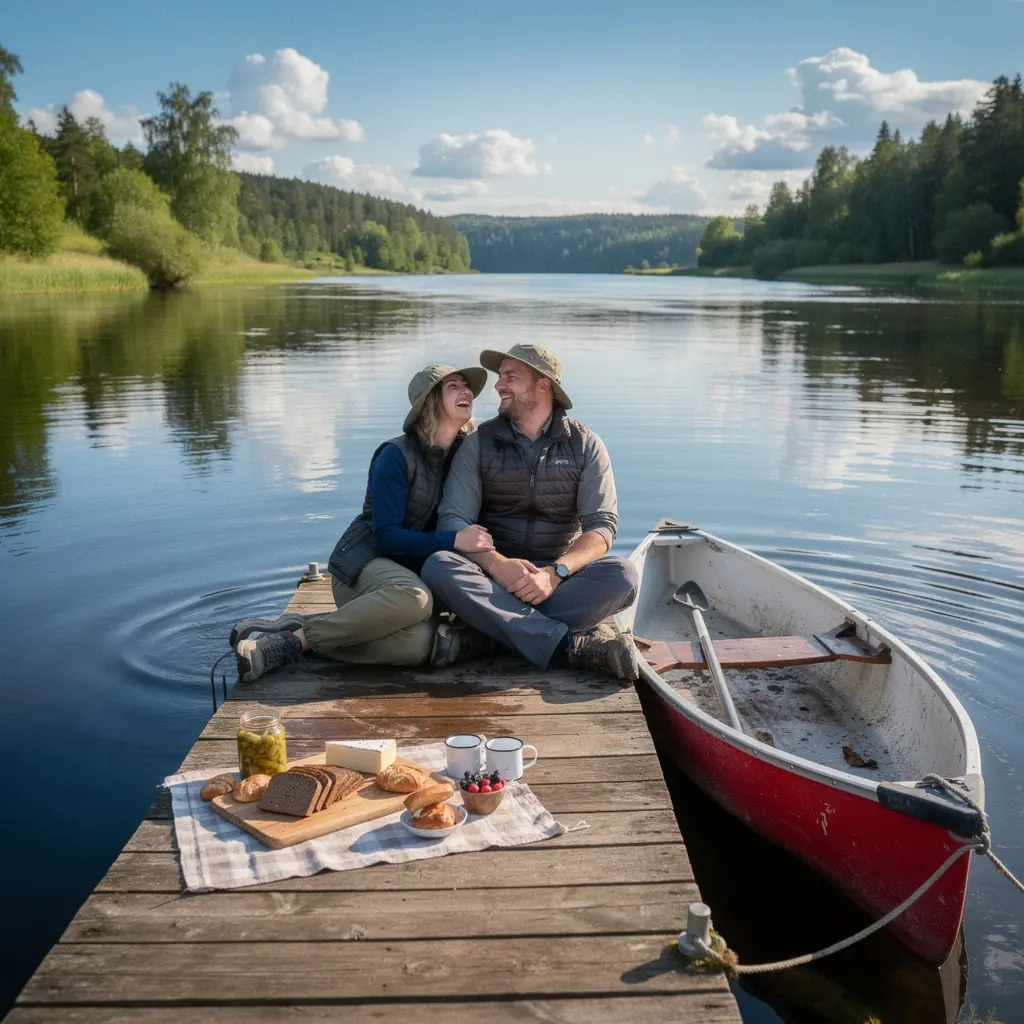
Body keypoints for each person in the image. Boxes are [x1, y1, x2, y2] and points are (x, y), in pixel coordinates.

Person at [231, 364, 497, 681]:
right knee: (417, 600)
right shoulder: (395, 456)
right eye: (453, 386)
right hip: (363, 569)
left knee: (420, 644)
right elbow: (386, 538)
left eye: (466, 385)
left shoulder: (464, 455)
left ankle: (307, 628)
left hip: (408, 583)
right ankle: (292, 643)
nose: (466, 391)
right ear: (429, 402)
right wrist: (453, 541)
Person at [420, 343, 641, 681]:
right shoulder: (478, 443)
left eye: (511, 377)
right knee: (438, 565)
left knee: (623, 576)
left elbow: (602, 528)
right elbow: (453, 521)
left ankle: (491, 635)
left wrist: (554, 573)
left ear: (542, 386)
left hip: (558, 582)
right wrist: (497, 565)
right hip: (492, 580)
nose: (498, 385)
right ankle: (569, 646)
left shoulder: (586, 445)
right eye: (500, 377)